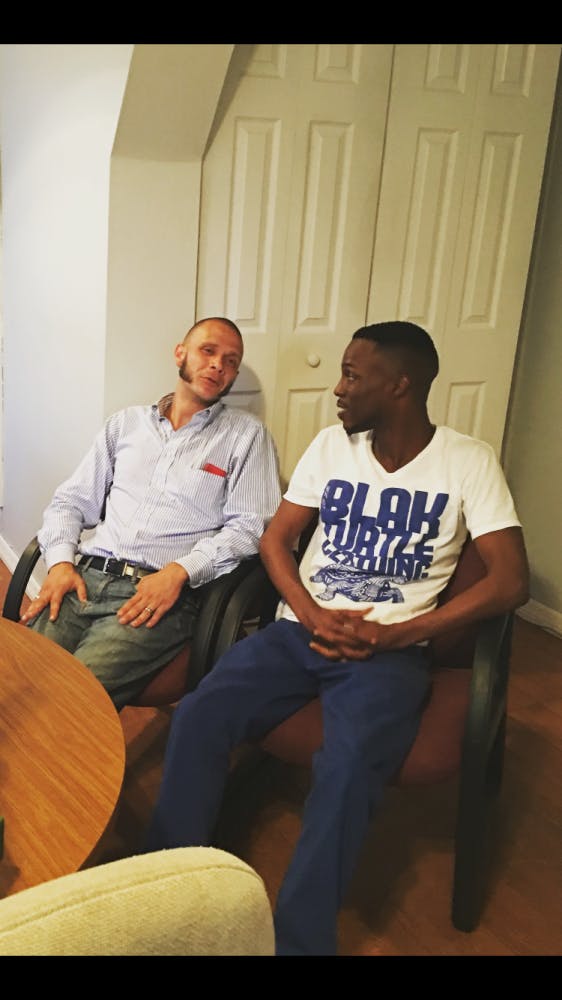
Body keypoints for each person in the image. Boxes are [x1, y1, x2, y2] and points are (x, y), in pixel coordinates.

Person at [143, 320, 530, 956]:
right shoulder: (331, 446)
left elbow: (511, 581)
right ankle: (163, 893)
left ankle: (299, 941)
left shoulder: (469, 461)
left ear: (399, 385)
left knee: (348, 768)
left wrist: (402, 634)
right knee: (200, 713)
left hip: (390, 655)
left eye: (352, 375)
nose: (338, 389)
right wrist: (310, 612)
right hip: (300, 631)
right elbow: (276, 539)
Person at [21, 317, 281, 710]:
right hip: (84, 578)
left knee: (71, 702)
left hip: (158, 592)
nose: (218, 366)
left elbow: (249, 528)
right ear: (180, 353)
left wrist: (180, 571)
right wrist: (59, 563)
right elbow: (70, 501)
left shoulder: (246, 435)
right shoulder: (126, 424)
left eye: (231, 361)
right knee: (18, 676)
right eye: (208, 351)